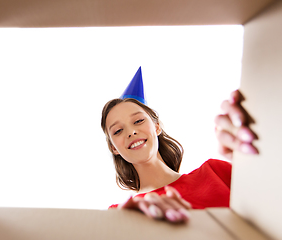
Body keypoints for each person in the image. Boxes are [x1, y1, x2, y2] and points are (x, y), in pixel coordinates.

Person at [100, 68, 258, 223]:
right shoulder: (121, 214)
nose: (131, 132)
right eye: (118, 130)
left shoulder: (215, 172)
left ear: (156, 127)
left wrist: (260, 148)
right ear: (114, 148)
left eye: (138, 121)